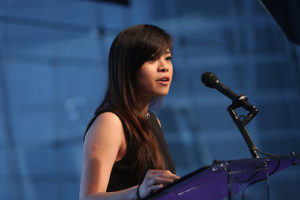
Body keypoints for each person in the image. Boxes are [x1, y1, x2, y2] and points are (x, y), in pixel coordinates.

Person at [79, 24, 180, 200]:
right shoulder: (110, 122)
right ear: (128, 68)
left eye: (168, 58)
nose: (164, 67)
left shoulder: (151, 120)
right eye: (151, 59)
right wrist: (139, 192)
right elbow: (88, 198)